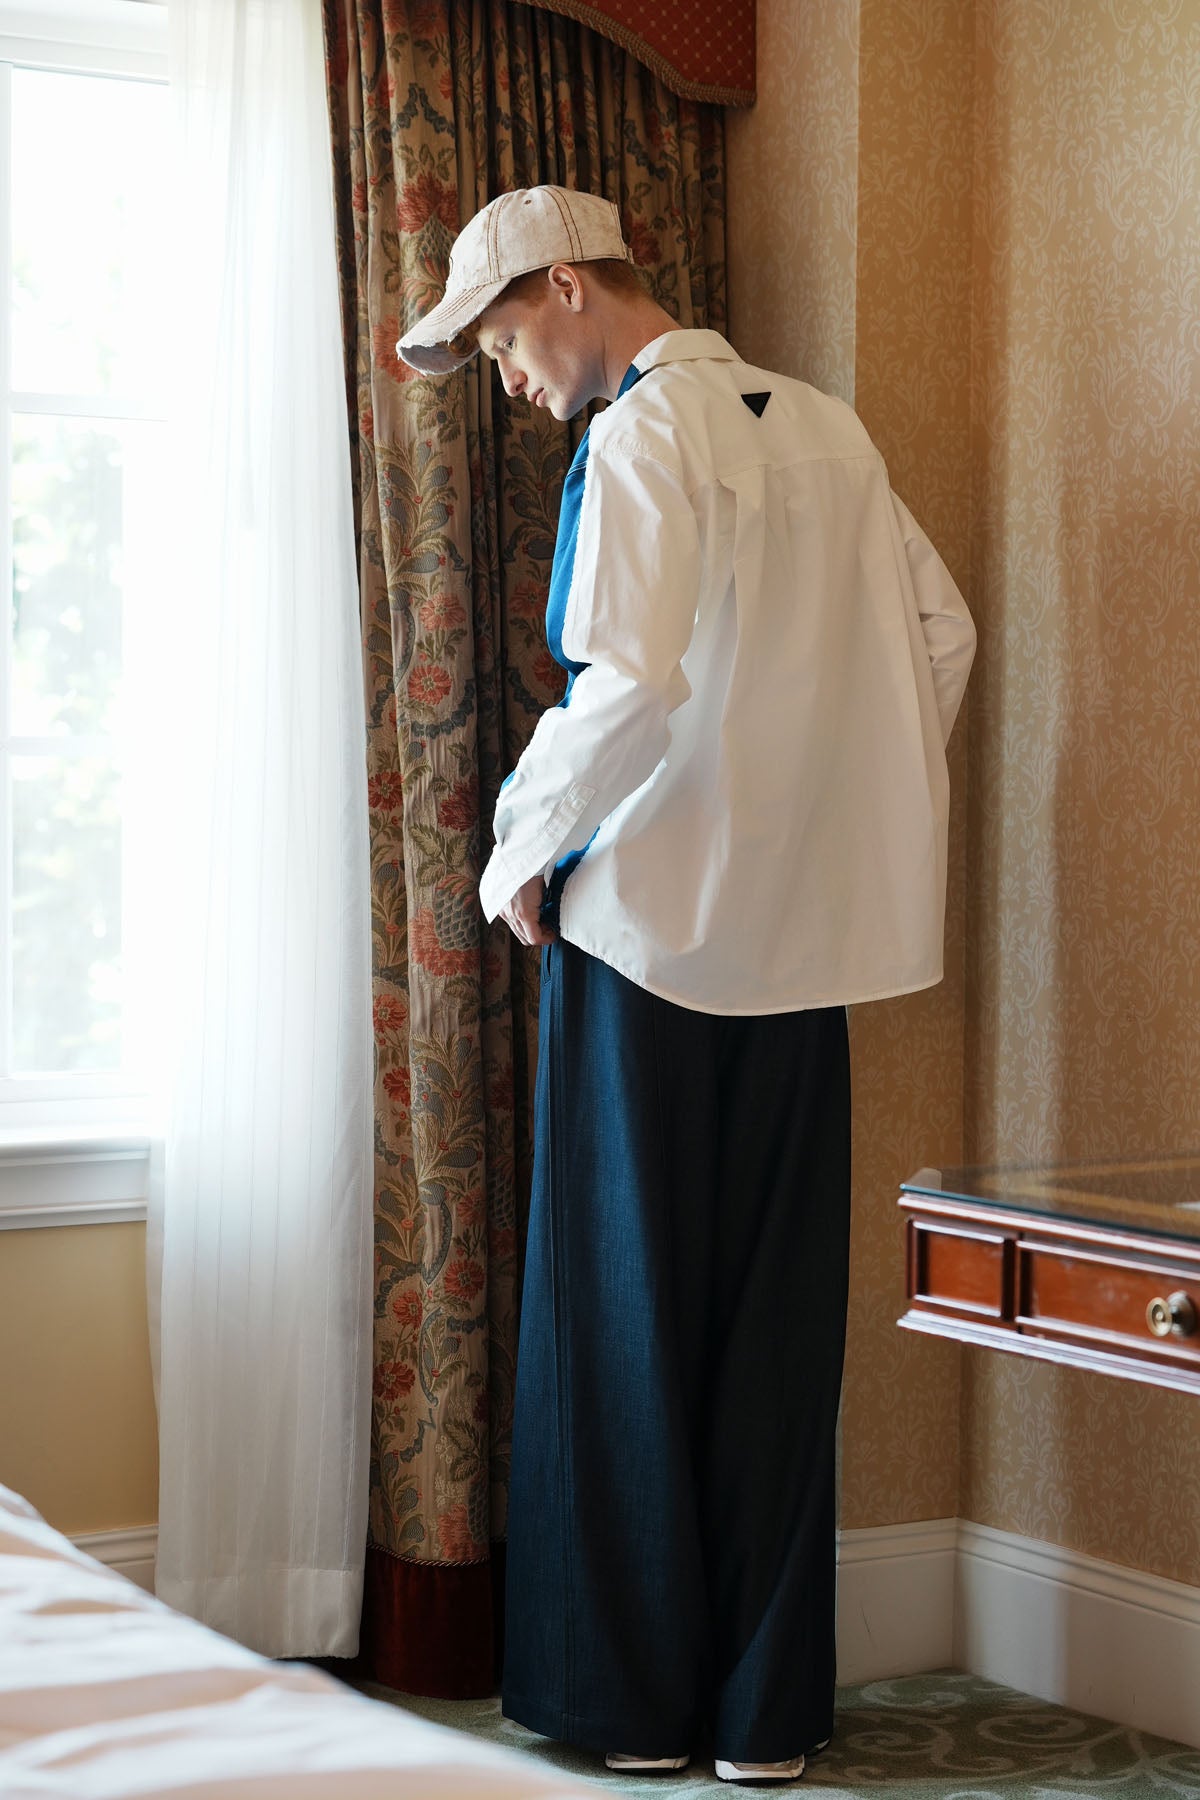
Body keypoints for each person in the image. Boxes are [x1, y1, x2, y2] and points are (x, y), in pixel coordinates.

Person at [398, 185, 975, 1784]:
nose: (515, 381)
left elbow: (628, 682)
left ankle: (632, 1711)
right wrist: (821, 806)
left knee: (624, 1320)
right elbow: (940, 636)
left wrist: (519, 853)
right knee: (775, 1323)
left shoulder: (646, 435)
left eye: (506, 343)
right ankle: (762, 1721)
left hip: (648, 937)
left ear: (568, 286)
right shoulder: (830, 431)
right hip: (803, 951)